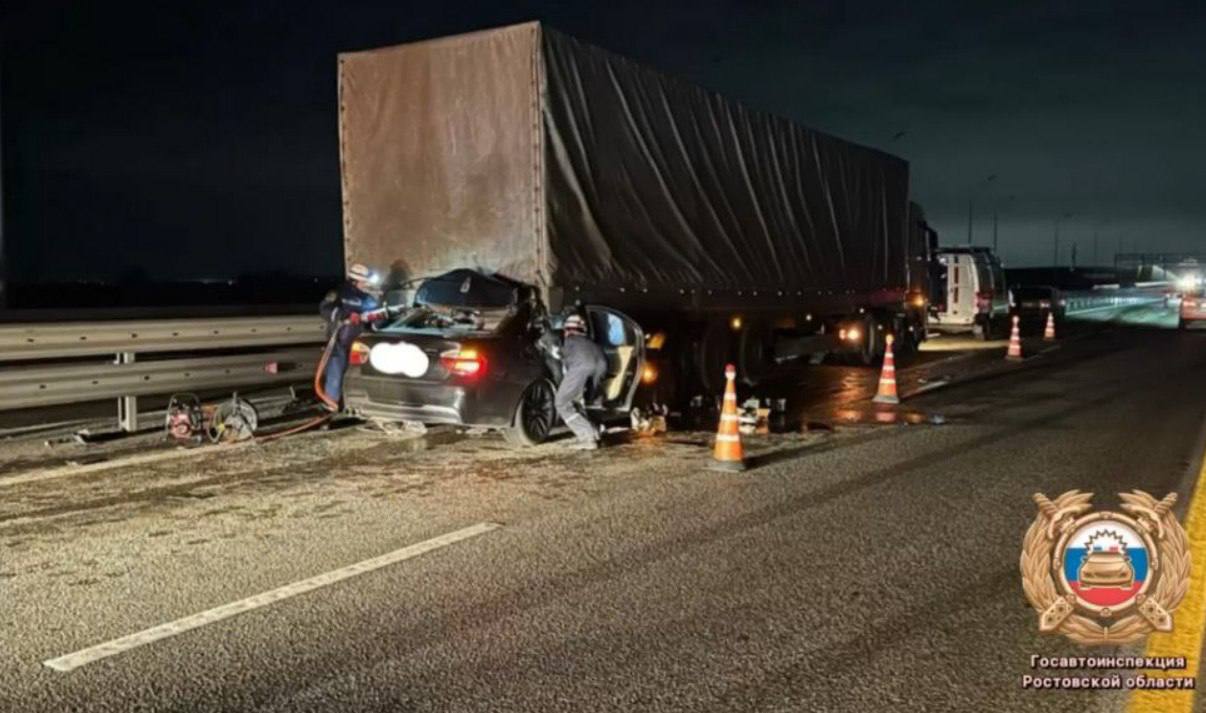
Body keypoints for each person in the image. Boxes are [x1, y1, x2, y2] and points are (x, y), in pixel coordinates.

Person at [318, 263, 381, 410]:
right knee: (336, 372)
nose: (366, 284)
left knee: (357, 374)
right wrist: (344, 315)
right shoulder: (338, 293)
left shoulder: (367, 298)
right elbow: (324, 309)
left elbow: (377, 316)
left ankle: (356, 403)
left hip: (359, 342)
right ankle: (331, 403)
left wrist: (377, 317)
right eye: (364, 281)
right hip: (339, 340)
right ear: (356, 280)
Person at [555, 313, 608, 450]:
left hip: (582, 365)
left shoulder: (570, 341)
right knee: (580, 401)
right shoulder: (589, 342)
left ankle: (587, 437)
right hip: (601, 364)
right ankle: (595, 432)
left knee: (562, 402)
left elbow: (559, 355)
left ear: (566, 329)